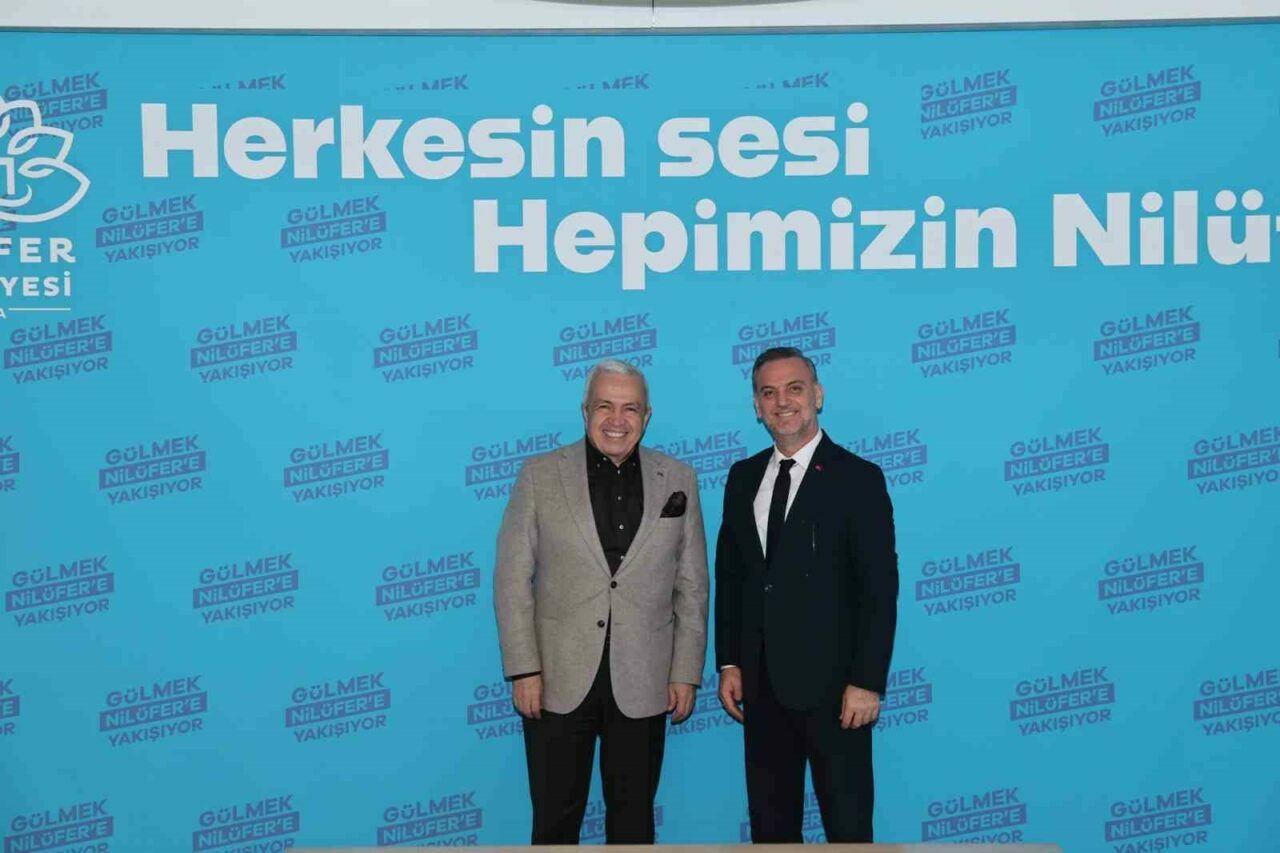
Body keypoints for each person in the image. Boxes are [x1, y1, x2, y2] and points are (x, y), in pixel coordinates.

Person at [494, 358, 709, 845]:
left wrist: (684, 672)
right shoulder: (539, 475)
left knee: (633, 823)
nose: (617, 419)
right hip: (556, 680)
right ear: (585, 410)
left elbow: (693, 585)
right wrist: (524, 670)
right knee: (554, 821)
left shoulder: (679, 478)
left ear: (647, 416)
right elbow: (511, 579)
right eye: (604, 406)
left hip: (645, 680)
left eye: (630, 408)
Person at [715, 346, 899, 843]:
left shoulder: (859, 478)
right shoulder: (741, 478)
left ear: (817, 395)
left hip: (838, 695)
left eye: (794, 388)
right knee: (771, 831)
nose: (782, 402)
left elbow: (879, 588)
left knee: (848, 830)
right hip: (761, 690)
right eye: (768, 392)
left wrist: (866, 681)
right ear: (756, 406)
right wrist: (729, 661)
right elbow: (731, 577)